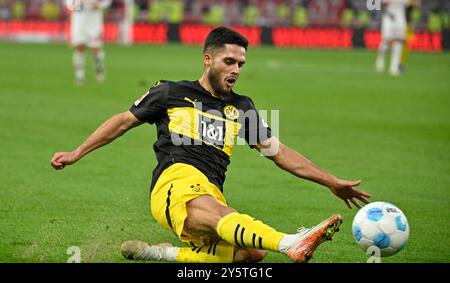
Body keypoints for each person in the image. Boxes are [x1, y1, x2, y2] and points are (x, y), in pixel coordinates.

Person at [51, 26, 371, 263]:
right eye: (229, 61)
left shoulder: (242, 107)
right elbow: (123, 120)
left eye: (241, 64)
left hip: (210, 192)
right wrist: (77, 153)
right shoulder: (172, 92)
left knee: (250, 254)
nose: (235, 70)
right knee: (226, 219)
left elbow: (278, 152)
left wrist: (331, 181)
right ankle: (291, 242)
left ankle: (163, 254)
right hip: (174, 184)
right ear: (208, 59)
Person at [65, 0, 111, 85]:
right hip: (79, 20)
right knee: (79, 47)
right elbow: (69, 4)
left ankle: (99, 70)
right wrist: (80, 3)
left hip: (94, 20)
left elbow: (106, 2)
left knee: (96, 47)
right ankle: (79, 76)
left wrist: (100, 5)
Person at [375, 0, 409, 76]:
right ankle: (381, 59)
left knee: (399, 41)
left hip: (400, 16)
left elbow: (408, 7)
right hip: (388, 16)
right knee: (386, 41)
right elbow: (377, 4)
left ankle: (394, 67)